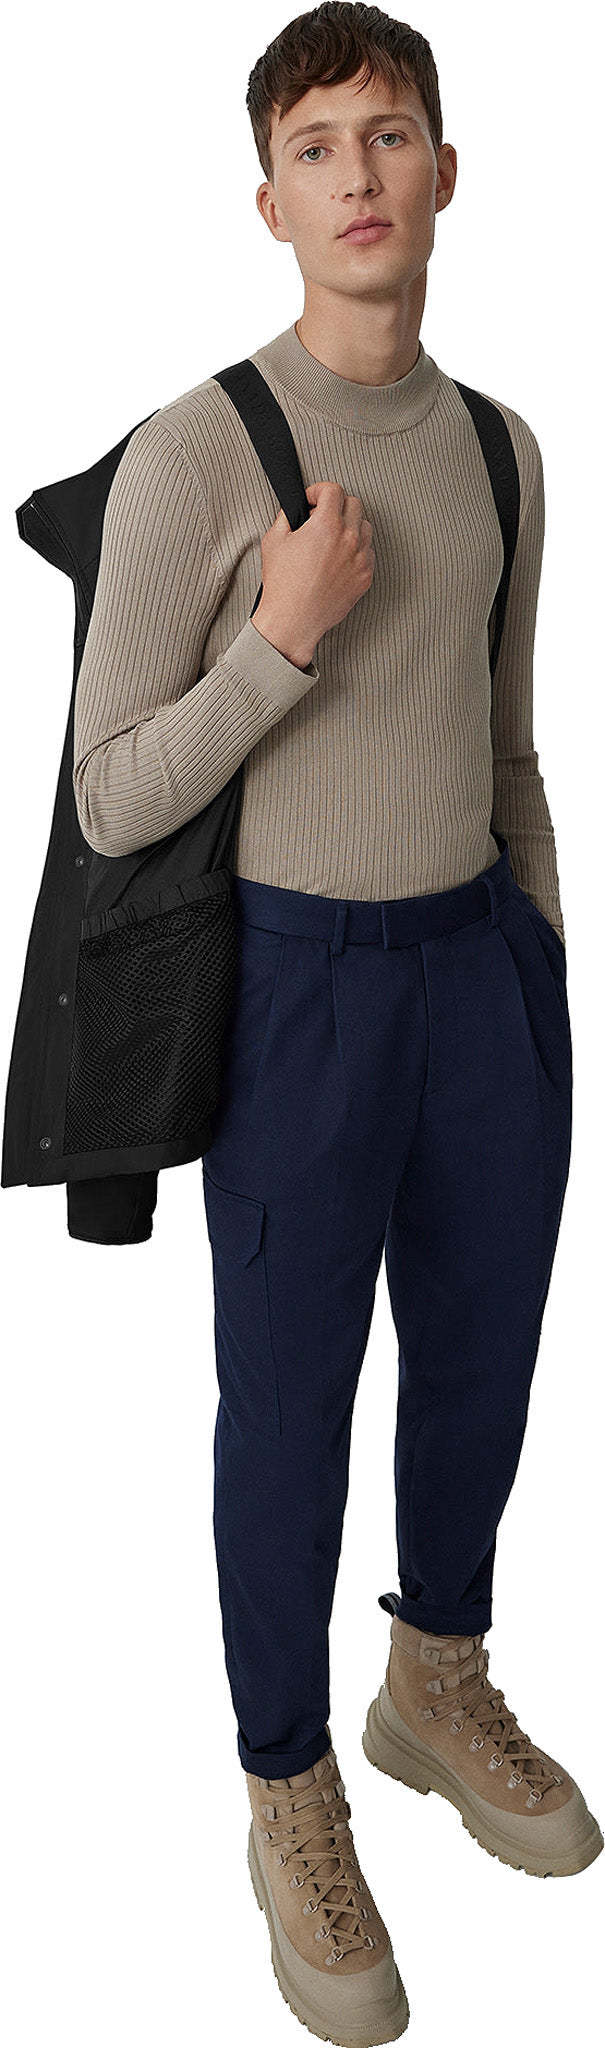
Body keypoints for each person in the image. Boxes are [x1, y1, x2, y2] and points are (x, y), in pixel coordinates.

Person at [72, 7, 603, 2041]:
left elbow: (509, 737)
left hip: (479, 971)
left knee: (482, 1362)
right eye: (317, 146)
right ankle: (287, 1774)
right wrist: (280, 644)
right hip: (295, 987)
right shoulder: (200, 447)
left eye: (391, 136)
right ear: (269, 202)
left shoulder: (504, 450)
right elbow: (110, 793)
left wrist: (540, 971)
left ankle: (432, 1674)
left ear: (446, 177)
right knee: (286, 1406)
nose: (359, 174)